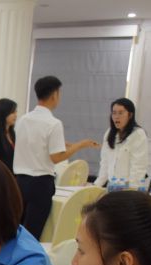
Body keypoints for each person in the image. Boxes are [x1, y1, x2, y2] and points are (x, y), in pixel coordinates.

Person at [13, 76, 99, 239]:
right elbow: (56, 158)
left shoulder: (23, 120)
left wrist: (66, 143)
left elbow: (35, 143)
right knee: (32, 235)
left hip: (20, 182)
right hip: (40, 184)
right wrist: (80, 145)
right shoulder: (53, 123)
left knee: (17, 229)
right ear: (54, 95)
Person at [93, 98, 148, 188]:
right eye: (114, 113)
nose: (116, 117)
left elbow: (138, 167)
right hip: (111, 185)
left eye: (120, 113)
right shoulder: (109, 133)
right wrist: (96, 185)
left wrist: (132, 189)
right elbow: (105, 163)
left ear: (130, 115)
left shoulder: (138, 134)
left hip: (128, 186)